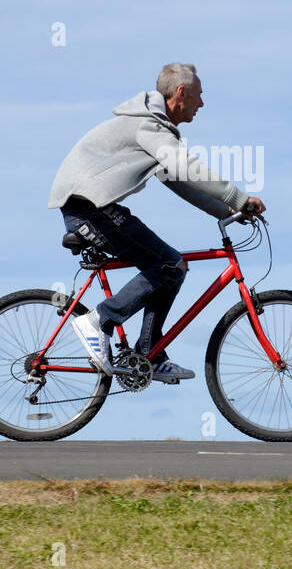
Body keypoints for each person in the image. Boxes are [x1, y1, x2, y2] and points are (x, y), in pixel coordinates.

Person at [48, 63, 266, 382]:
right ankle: (99, 320)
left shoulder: (155, 129)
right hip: (87, 208)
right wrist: (238, 197)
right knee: (169, 264)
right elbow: (186, 165)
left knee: (173, 268)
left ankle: (147, 352)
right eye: (199, 96)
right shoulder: (148, 126)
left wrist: (229, 212)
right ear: (181, 93)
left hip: (91, 206)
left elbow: (181, 181)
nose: (202, 104)